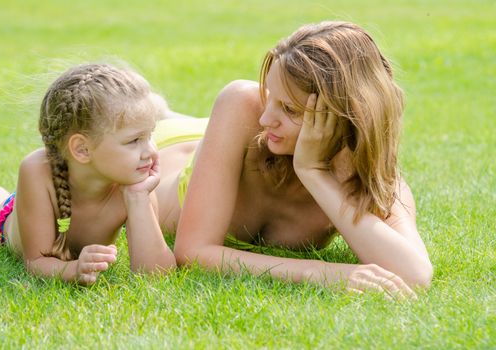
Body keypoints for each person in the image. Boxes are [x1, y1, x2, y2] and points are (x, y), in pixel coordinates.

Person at [155, 21, 433, 297]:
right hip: (171, 148)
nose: (266, 119)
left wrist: (313, 171)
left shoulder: (370, 179)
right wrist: (318, 272)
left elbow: (415, 274)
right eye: (270, 98)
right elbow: (192, 251)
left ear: (344, 114)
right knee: (146, 117)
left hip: (234, 140)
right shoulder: (244, 106)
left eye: (289, 109)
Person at [0, 63, 176, 285]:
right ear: (82, 149)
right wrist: (73, 269)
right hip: (9, 220)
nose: (151, 151)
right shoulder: (37, 170)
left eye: (150, 135)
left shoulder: (134, 181)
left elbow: (156, 275)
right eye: (134, 140)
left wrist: (138, 198)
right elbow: (36, 262)